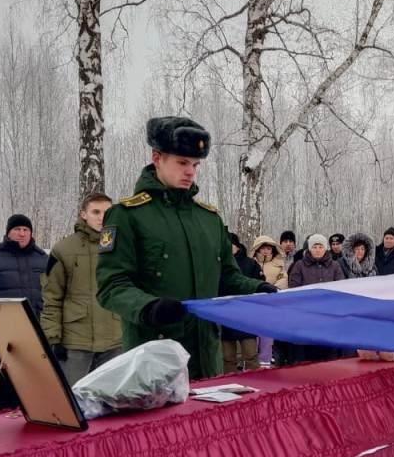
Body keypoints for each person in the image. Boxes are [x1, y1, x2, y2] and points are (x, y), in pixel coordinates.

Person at [96, 116, 276, 381]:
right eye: (182, 163)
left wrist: (258, 288)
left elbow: (227, 277)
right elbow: (111, 286)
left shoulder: (209, 219)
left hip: (207, 357)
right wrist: (149, 307)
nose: (190, 171)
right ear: (157, 158)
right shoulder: (127, 216)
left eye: (195, 164)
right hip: (154, 356)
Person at [41, 194, 122, 386]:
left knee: (110, 398)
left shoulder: (122, 247)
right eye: (96, 212)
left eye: (107, 212)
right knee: (73, 398)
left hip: (115, 340)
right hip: (76, 342)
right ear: (84, 214)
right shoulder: (63, 249)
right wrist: (53, 338)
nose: (101, 217)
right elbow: (52, 298)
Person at [0, 214, 48, 316]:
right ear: (8, 233)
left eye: (26, 230)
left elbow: (54, 295)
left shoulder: (43, 259)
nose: (22, 234)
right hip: (4, 322)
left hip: (37, 323)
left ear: (30, 233)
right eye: (17, 229)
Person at [287, 234, 344, 362]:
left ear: (325, 248)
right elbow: (294, 288)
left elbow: (341, 288)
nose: (318, 250)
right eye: (314, 247)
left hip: (329, 317)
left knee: (328, 354)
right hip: (306, 317)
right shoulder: (299, 265)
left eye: (320, 247)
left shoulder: (335, 266)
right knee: (306, 354)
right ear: (309, 249)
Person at [221, 233, 265, 373]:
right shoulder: (218, 264)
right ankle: (229, 381)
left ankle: (256, 381)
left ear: (237, 246)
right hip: (225, 315)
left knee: (250, 354)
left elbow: (258, 284)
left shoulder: (250, 264)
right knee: (227, 357)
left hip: (246, 316)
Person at [251, 235, 288, 367]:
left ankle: (265, 361)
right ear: (257, 249)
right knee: (252, 332)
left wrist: (272, 289)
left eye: (268, 248)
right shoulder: (251, 263)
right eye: (263, 248)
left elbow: (283, 279)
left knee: (267, 333)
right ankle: (251, 360)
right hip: (254, 301)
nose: (266, 251)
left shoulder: (278, 264)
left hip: (271, 302)